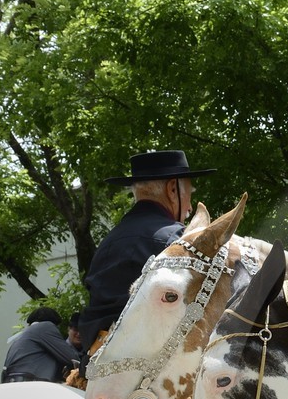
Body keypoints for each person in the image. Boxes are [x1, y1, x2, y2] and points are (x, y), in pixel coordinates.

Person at [72, 149, 214, 364]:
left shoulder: (107, 243)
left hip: (96, 364)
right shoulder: (177, 241)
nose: (190, 207)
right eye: (190, 195)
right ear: (172, 189)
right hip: (153, 372)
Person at [3, 307, 79, 383]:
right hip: (29, 381)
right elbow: (72, 358)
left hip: (12, 381)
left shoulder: (22, 336)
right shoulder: (46, 327)